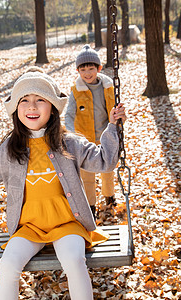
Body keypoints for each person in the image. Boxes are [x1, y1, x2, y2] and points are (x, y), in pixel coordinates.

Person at [0, 67, 126, 300]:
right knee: (8, 262)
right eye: (25, 100)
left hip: (68, 223)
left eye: (40, 100)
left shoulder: (67, 142)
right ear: (16, 109)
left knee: (73, 260)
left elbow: (104, 162)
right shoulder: (11, 147)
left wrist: (112, 127)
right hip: (29, 227)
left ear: (53, 108)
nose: (32, 106)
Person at [65, 44, 117, 219]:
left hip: (105, 137)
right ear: (78, 71)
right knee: (87, 175)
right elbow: (69, 115)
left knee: (107, 170)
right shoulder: (76, 90)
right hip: (85, 140)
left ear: (99, 68)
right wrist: (71, 134)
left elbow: (115, 109)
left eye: (91, 69)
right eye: (83, 70)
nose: (87, 73)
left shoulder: (108, 87)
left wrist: (118, 126)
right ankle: (91, 205)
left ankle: (109, 196)